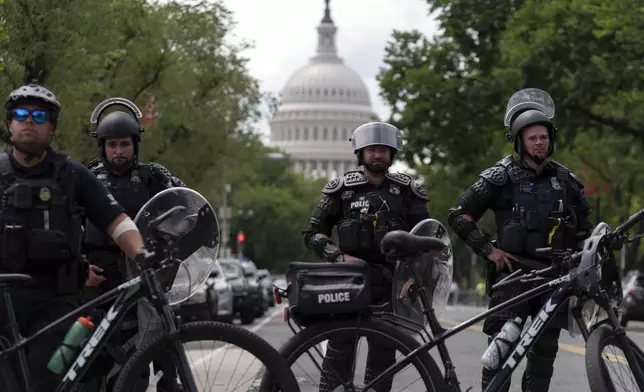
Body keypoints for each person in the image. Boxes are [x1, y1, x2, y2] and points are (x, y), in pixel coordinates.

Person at [0, 81, 148, 392]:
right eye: (22, 114)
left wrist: (142, 255)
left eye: (39, 117)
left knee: (45, 382)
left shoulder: (74, 175)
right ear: (9, 124)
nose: (29, 121)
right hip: (3, 301)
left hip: (57, 306)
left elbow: (117, 221)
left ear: (51, 127)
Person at [447, 88, 592, 392]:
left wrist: (580, 276)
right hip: (512, 279)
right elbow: (460, 216)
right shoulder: (501, 176)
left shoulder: (566, 181)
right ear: (520, 141)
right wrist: (490, 251)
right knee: (500, 358)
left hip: (554, 280)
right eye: (532, 138)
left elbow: (583, 233)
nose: (539, 142)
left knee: (542, 362)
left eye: (544, 137)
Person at [302, 121, 430, 392]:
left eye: (383, 150)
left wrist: (413, 278)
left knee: (383, 358)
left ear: (392, 154)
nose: (377, 155)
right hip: (349, 282)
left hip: (392, 285)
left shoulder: (408, 192)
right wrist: (339, 257)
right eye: (372, 149)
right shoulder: (340, 190)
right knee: (339, 353)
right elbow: (313, 234)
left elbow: (425, 238)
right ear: (360, 153)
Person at [82, 97, 186, 390]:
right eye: (112, 144)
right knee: (98, 363)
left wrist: (168, 246)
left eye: (124, 144)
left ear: (135, 144)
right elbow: (69, 227)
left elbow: (186, 213)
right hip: (100, 286)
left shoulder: (155, 179)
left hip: (147, 278)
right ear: (102, 146)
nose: (118, 151)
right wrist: (81, 266)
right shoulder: (85, 179)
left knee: (163, 351)